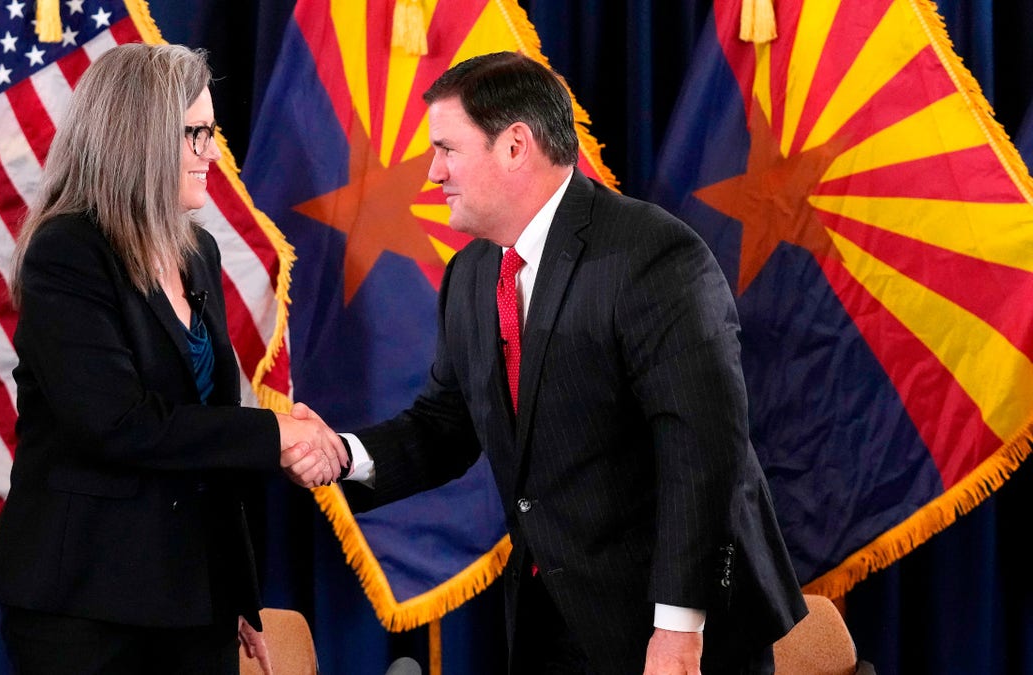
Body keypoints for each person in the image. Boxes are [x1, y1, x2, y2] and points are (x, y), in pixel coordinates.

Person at [321, 51, 808, 674]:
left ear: (515, 145)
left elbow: (702, 452)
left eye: (447, 148)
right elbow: (445, 424)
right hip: (548, 621)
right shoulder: (471, 273)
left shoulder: (652, 256)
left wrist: (679, 630)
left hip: (669, 625)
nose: (433, 173)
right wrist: (340, 452)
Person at [0, 43, 345, 675]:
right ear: (138, 137)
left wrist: (234, 590)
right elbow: (117, 425)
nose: (212, 151)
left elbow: (208, 425)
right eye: (195, 133)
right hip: (87, 605)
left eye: (212, 131)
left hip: (192, 600)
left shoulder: (195, 250)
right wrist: (277, 434)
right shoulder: (68, 252)